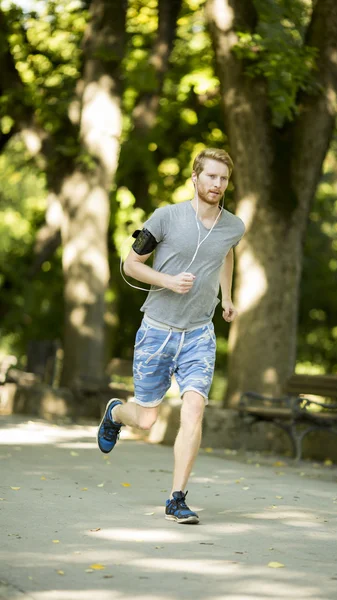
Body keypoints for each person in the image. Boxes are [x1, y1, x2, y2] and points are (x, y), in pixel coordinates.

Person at [97, 148, 245, 524]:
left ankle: (176, 498)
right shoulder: (165, 218)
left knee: (194, 410)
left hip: (199, 333)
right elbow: (130, 264)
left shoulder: (233, 226)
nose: (217, 184)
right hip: (157, 331)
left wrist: (227, 297)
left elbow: (226, 254)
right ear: (195, 178)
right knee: (146, 421)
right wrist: (167, 281)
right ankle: (116, 412)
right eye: (210, 176)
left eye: (223, 178)